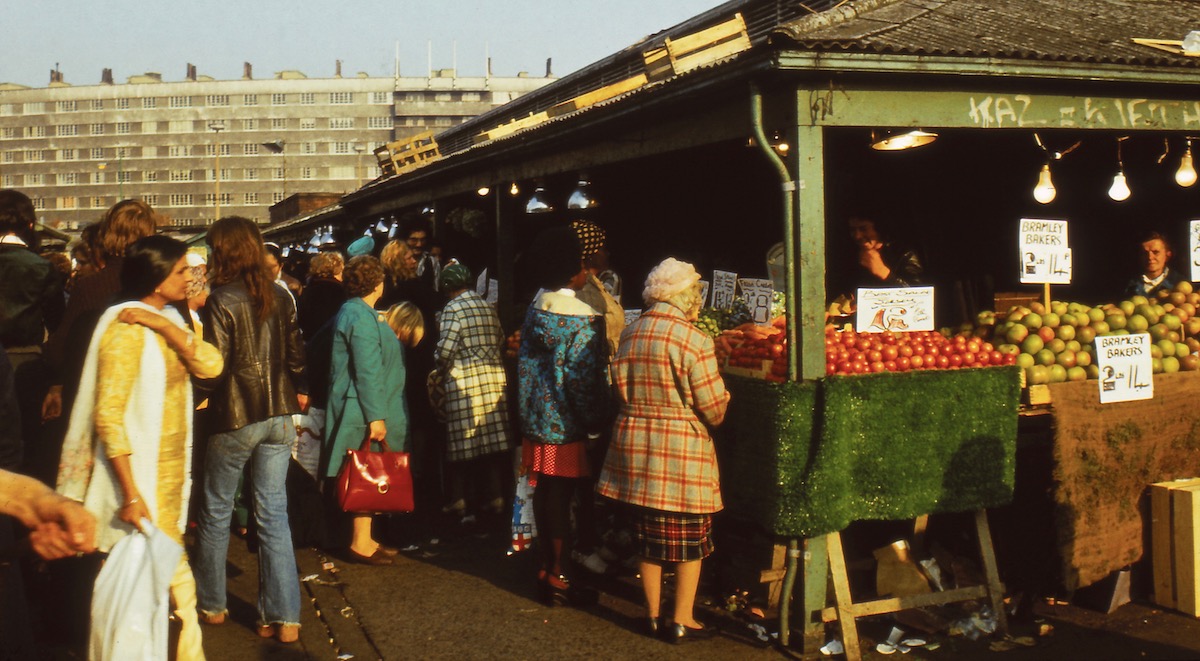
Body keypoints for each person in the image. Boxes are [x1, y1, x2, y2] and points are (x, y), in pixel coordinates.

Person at [56, 234, 225, 661]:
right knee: (156, 592)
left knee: (166, 587)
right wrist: (130, 494)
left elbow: (212, 364)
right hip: (136, 484)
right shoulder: (124, 330)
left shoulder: (166, 319)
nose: (190, 279)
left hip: (166, 480)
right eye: (181, 271)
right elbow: (108, 417)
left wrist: (165, 325)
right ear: (155, 278)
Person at [597, 257, 731, 643]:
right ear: (686, 297)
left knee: (647, 538)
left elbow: (617, 388)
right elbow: (714, 410)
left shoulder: (631, 333)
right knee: (691, 540)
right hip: (681, 453)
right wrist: (725, 397)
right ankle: (683, 618)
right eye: (696, 295)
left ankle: (653, 615)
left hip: (635, 449)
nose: (698, 302)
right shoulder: (695, 340)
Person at [194, 217, 307, 644]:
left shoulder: (220, 299)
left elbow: (214, 367)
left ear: (223, 251)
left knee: (216, 510)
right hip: (278, 417)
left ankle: (212, 604)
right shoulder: (278, 295)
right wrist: (303, 391)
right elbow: (297, 356)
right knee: (273, 513)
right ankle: (284, 618)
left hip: (234, 417)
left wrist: (190, 396)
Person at [517, 225, 611, 606]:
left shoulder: (534, 310)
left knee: (545, 495)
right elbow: (584, 382)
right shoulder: (584, 318)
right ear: (575, 271)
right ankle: (559, 577)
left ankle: (546, 568)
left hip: (535, 422)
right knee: (563, 496)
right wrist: (595, 422)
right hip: (568, 426)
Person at [321, 255, 411, 565]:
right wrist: (377, 417)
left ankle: (367, 537)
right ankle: (360, 543)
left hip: (358, 406)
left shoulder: (356, 312)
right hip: (361, 411)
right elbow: (367, 370)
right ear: (377, 283)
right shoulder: (360, 316)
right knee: (365, 472)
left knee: (368, 471)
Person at [431, 263, 512, 519]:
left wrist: (437, 365)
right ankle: (496, 497)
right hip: (494, 380)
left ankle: (459, 500)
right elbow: (500, 339)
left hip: (465, 381)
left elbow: (445, 352)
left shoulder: (452, 309)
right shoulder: (487, 307)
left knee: (461, 445)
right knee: (492, 443)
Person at [0, 189, 65, 475]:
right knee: (23, 444)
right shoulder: (41, 267)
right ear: (29, 225)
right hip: (26, 364)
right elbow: (57, 324)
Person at [297, 250, 347, 340]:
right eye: (342, 270)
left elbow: (301, 318)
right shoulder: (339, 291)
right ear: (336, 270)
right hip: (332, 341)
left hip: (311, 341)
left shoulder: (308, 289)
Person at [1125, 230, 1179, 298]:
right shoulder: (1128, 284)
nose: (1150, 257)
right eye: (1145, 253)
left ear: (1167, 255)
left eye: (1155, 252)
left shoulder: (1179, 283)